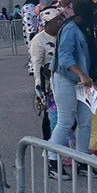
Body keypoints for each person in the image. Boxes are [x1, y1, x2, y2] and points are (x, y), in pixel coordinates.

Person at [48, 0, 97, 179]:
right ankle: (52, 161)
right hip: (65, 79)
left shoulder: (82, 28)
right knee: (66, 121)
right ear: (86, 12)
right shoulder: (70, 29)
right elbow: (65, 58)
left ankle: (82, 160)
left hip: (81, 81)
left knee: (86, 121)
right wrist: (81, 74)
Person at [29, 7, 64, 141]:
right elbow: (36, 66)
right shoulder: (38, 40)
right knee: (49, 116)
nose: (60, 23)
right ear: (48, 23)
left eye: (61, 20)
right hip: (48, 84)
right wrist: (39, 89)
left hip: (64, 81)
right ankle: (48, 144)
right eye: (57, 21)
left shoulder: (63, 36)